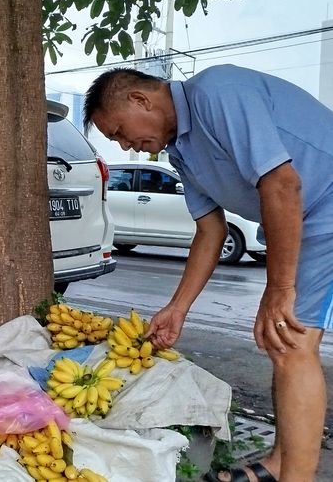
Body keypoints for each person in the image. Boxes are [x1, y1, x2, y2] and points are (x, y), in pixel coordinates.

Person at [84, 65, 333, 482]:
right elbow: (210, 229)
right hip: (305, 217)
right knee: (281, 343)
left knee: (291, 341)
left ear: (140, 100)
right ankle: (278, 463)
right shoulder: (181, 150)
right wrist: (177, 308)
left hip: (325, 209)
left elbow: (281, 184)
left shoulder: (216, 92)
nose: (127, 146)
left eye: (120, 133)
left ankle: (298, 475)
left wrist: (279, 287)